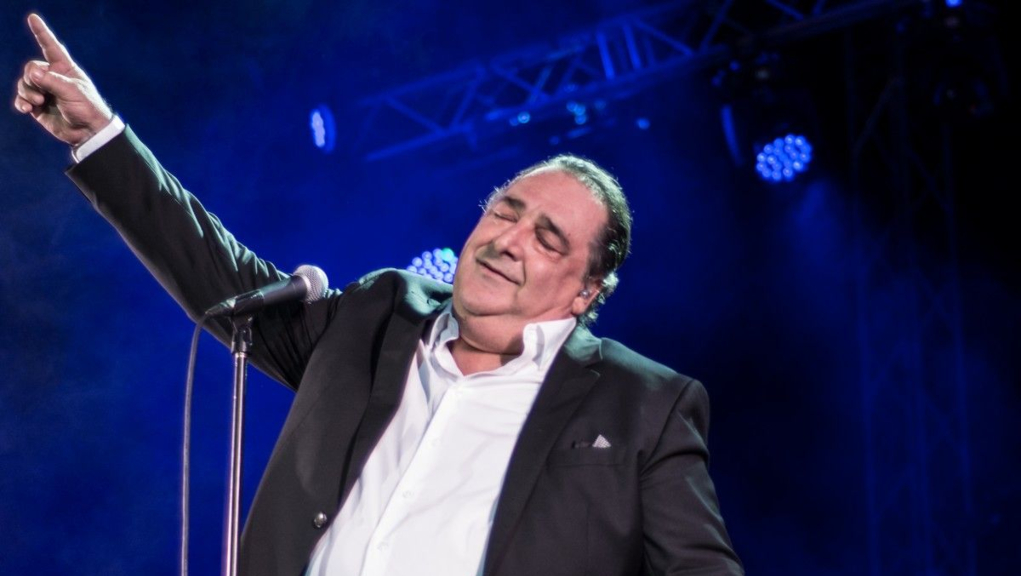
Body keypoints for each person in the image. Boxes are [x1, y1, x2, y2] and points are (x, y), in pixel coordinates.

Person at [14, 12, 744, 576]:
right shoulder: (376, 315)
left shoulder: (643, 403)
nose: (509, 240)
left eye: (547, 239)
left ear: (585, 292)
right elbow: (223, 277)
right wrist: (101, 136)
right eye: (505, 211)